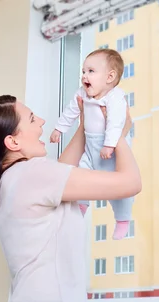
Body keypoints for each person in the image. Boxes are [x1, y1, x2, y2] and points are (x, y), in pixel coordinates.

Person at [0, 93, 141, 302]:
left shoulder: (7, 181)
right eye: (33, 119)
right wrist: (117, 134)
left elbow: (60, 172)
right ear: (13, 141)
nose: (42, 122)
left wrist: (86, 126)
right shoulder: (34, 174)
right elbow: (130, 183)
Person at [50, 48, 134, 240]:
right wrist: (59, 129)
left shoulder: (115, 97)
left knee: (119, 189)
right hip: (89, 145)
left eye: (91, 71)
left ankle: (122, 219)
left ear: (110, 77)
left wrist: (110, 145)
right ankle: (81, 204)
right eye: (83, 71)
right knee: (80, 173)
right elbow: (72, 111)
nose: (84, 76)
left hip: (111, 149)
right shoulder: (83, 94)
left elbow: (115, 123)